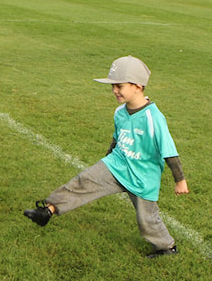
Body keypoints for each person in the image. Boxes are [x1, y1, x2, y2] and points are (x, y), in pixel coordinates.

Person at [22, 56, 190, 258]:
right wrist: (107, 160)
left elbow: (168, 151)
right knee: (83, 181)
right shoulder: (120, 112)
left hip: (142, 177)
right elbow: (117, 138)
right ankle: (47, 211)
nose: (114, 91)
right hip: (117, 165)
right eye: (113, 86)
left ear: (137, 86)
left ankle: (167, 248)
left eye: (119, 86)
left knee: (147, 220)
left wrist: (180, 180)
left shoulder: (153, 118)